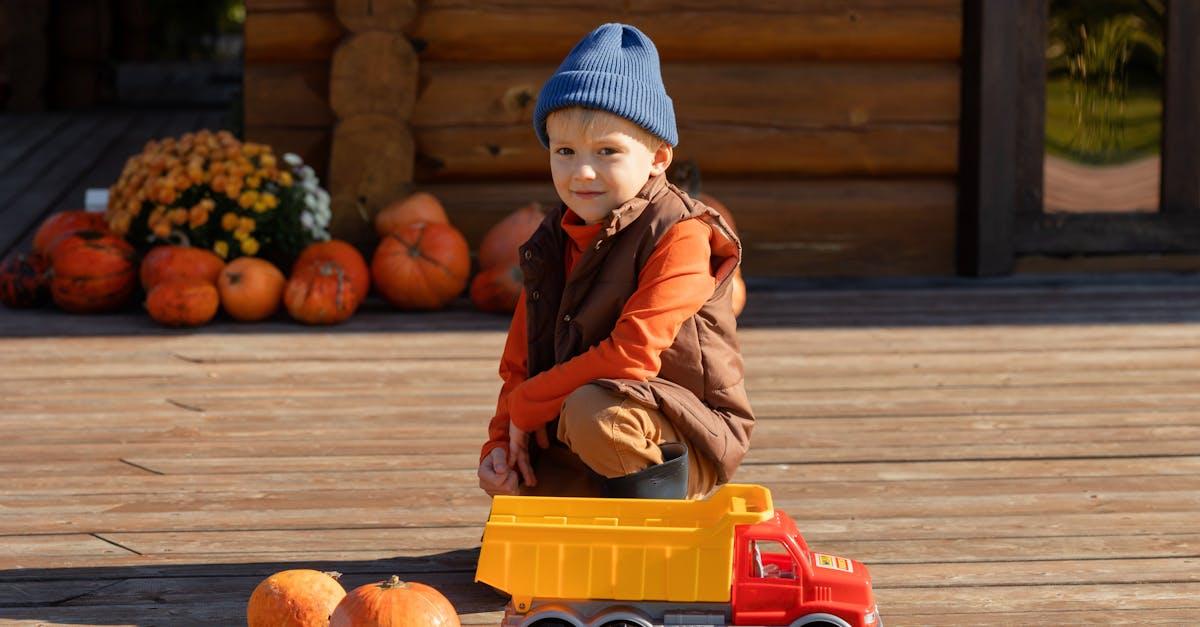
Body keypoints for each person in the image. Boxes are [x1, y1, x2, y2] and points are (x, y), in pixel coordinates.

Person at [476, 23, 753, 500]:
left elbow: (632, 355)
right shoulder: (551, 238)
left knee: (594, 413)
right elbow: (522, 362)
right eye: (564, 151)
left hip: (682, 434)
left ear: (659, 158)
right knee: (513, 485)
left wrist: (529, 405)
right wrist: (500, 440)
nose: (582, 171)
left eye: (607, 152)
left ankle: (660, 531)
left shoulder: (681, 232)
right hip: (579, 418)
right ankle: (595, 504)